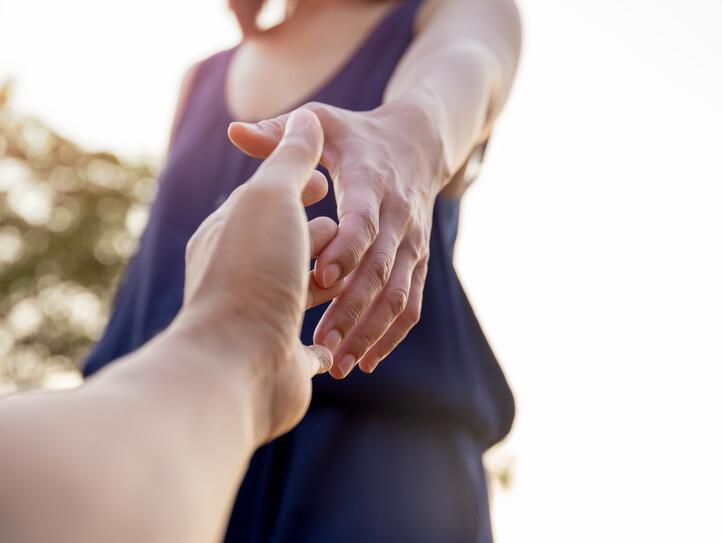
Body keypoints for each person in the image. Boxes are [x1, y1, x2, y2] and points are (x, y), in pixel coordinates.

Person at [84, 0, 522, 540]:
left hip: (371, 467)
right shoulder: (202, 76)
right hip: (163, 441)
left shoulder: (453, 12)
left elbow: (464, 68)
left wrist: (411, 137)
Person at [0, 111, 333, 543]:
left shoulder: (427, 43)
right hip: (166, 418)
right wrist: (233, 345)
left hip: (321, 452)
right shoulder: (199, 78)